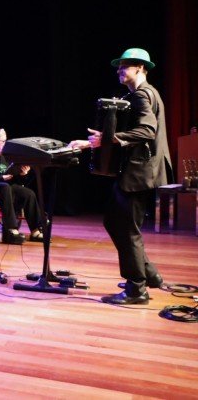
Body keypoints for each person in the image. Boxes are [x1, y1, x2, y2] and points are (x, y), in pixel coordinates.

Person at [69, 48, 171, 305]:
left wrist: (111, 138)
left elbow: (147, 130)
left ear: (140, 68)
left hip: (139, 172)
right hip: (143, 171)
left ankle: (137, 289)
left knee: (126, 228)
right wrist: (96, 141)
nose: (119, 70)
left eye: (124, 66)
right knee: (116, 223)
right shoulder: (148, 94)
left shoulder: (141, 96)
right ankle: (149, 274)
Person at [0, 128, 44, 245]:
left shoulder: (5, 156)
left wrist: (22, 174)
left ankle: (36, 230)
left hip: (6, 187)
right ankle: (11, 230)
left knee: (28, 193)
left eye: (5, 141)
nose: (4, 144)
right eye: (2, 141)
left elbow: (12, 176)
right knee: (5, 187)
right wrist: (1, 178)